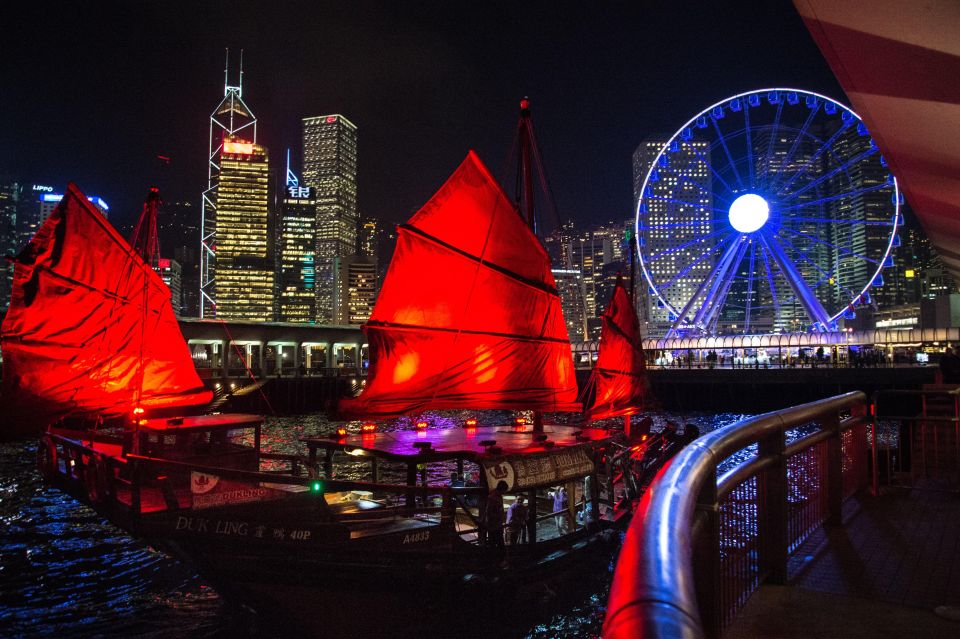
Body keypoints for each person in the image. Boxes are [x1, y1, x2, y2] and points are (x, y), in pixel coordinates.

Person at [484, 481, 507, 547]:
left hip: (498, 524)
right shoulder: (492, 497)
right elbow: (489, 512)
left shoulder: (499, 496)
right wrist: (498, 517)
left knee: (499, 544)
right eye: (504, 490)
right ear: (502, 489)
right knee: (494, 544)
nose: (505, 492)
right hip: (493, 525)